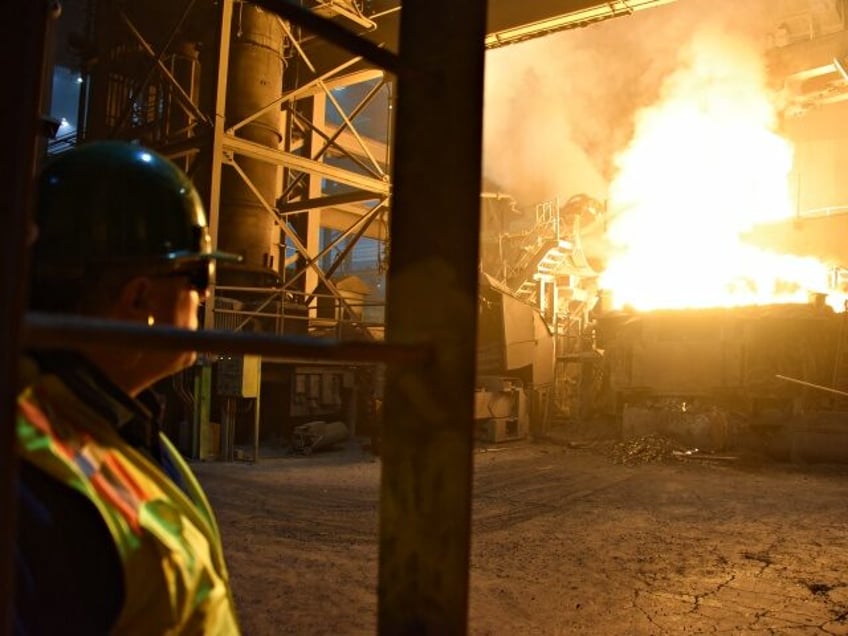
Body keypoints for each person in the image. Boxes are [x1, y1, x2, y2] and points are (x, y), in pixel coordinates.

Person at [13, 141, 242, 635]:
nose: (206, 294)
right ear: (139, 296)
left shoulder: (115, 421)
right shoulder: (33, 486)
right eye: (198, 273)